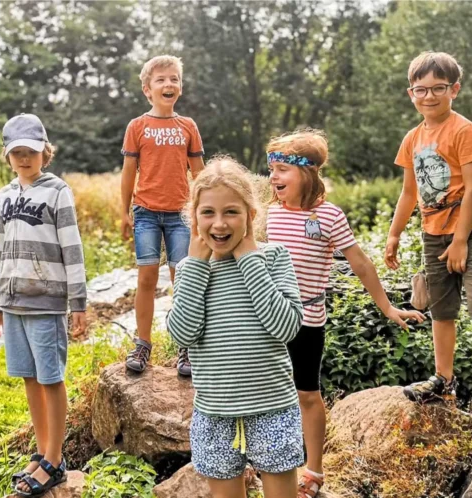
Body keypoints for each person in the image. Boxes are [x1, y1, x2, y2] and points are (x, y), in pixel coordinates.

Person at [265, 129, 425, 498]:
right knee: (270, 394)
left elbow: (361, 264)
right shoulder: (271, 214)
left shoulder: (329, 216)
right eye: (271, 169)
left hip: (306, 323)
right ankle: (272, 465)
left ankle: (314, 470)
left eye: (282, 169)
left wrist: (387, 306)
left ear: (307, 173)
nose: (273, 177)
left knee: (307, 394)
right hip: (269, 322)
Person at [384, 51, 472, 412]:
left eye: (438, 88)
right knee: (442, 310)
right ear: (410, 94)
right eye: (421, 89)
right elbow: (409, 192)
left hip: (471, 230)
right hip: (433, 234)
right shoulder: (412, 138)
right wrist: (394, 234)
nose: (429, 96)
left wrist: (461, 240)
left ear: (455, 89)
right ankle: (443, 381)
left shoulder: (463, 130)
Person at [167, 156, 303, 498]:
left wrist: (250, 261)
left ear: (251, 215)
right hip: (214, 413)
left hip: (272, 407)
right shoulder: (190, 270)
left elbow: (285, 327)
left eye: (231, 212)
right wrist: (197, 266)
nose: (219, 223)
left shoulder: (274, 258)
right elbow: (183, 334)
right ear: (194, 218)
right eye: (208, 213)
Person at [0, 114, 87, 496]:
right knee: (29, 376)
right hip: (13, 302)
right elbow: (1, 249)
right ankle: (42, 451)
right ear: (7, 155)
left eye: (31, 151)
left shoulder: (57, 191)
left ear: (46, 151)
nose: (25, 158)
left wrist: (78, 301)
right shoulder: (5, 195)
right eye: (17, 153)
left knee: (50, 378)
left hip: (46, 301)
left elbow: (72, 248)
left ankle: (55, 460)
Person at [120, 55, 206, 376]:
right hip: (145, 213)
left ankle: (186, 347)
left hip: (181, 215)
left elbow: (199, 172)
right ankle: (143, 344)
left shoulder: (188, 127)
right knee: (146, 277)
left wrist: (204, 212)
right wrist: (124, 213)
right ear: (147, 89)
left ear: (180, 88)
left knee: (182, 280)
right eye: (161, 80)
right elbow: (128, 172)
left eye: (174, 79)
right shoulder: (137, 126)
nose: (168, 84)